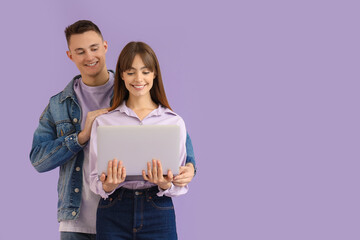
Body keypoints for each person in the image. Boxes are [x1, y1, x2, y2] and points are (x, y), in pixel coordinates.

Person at [29, 20, 196, 240]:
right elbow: (38, 160)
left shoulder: (134, 91)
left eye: (94, 48)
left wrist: (190, 167)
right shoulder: (59, 105)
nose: (89, 57)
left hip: (127, 205)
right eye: (80, 51)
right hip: (79, 216)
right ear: (70, 55)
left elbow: (177, 142)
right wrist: (80, 137)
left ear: (105, 47)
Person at [89, 41, 190, 240]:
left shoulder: (173, 121)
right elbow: (93, 179)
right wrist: (108, 186)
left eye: (145, 71)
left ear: (154, 74)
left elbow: (180, 181)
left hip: (158, 212)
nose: (138, 79)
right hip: (113, 211)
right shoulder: (104, 122)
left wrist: (165, 184)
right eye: (131, 71)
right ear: (122, 75)